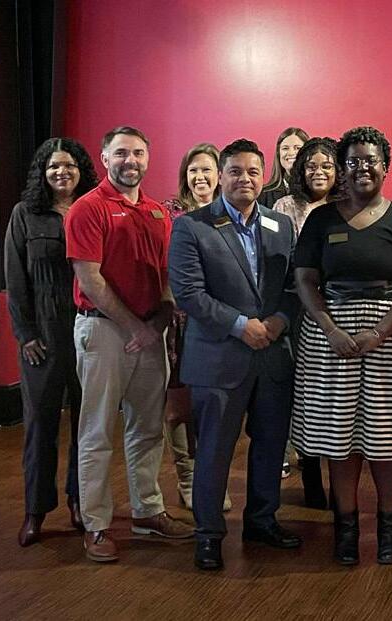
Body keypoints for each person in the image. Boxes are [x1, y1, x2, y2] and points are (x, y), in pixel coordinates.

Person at [291, 126, 392, 566]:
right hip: (330, 336)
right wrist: (331, 329)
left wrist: (380, 332)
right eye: (352, 161)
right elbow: (305, 279)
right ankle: (346, 529)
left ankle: (389, 527)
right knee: (339, 438)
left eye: (371, 160)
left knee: (387, 438)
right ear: (342, 168)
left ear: (386, 167)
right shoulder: (321, 219)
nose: (362, 168)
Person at [169, 138, 303, 571]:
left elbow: (294, 286)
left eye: (252, 171)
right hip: (219, 358)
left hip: (272, 356)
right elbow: (188, 293)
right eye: (235, 171)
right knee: (214, 449)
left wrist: (279, 320)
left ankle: (262, 521)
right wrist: (241, 325)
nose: (245, 178)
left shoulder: (280, 225)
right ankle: (209, 534)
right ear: (220, 176)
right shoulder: (192, 227)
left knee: (270, 446)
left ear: (263, 176)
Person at [66, 126, 193, 563]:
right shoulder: (87, 208)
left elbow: (167, 276)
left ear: (147, 159)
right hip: (104, 331)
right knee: (97, 431)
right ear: (104, 158)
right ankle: (96, 525)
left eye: (138, 153)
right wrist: (135, 327)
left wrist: (157, 322)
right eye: (121, 153)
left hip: (149, 334)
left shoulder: (158, 212)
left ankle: (147, 511)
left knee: (148, 428)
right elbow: (90, 279)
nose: (130, 161)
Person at [6, 137, 98, 547]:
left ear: (82, 171)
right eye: (54, 167)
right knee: (40, 425)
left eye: (70, 165)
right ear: (42, 173)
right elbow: (14, 280)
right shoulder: (25, 214)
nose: (62, 172)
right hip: (43, 336)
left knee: (87, 424)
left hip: (89, 329)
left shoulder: (92, 211)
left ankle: (80, 501)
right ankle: (35, 511)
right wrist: (25, 334)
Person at [160, 143, 230, 513]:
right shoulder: (170, 213)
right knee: (180, 406)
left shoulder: (229, 215)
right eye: (192, 170)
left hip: (220, 324)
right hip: (180, 325)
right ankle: (187, 478)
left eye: (206, 170)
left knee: (215, 407)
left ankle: (212, 480)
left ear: (219, 175)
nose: (199, 177)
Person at [272, 136, 340, 509]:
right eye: (312, 165)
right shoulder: (285, 206)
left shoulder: (346, 205)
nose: (319, 172)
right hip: (297, 311)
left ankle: (339, 476)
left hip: (339, 311)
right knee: (304, 396)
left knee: (333, 395)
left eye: (327, 165)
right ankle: (310, 475)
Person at [258, 127, 308, 208]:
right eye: (285, 148)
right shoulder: (262, 195)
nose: (291, 153)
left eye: (297, 148)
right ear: (278, 154)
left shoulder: (318, 192)